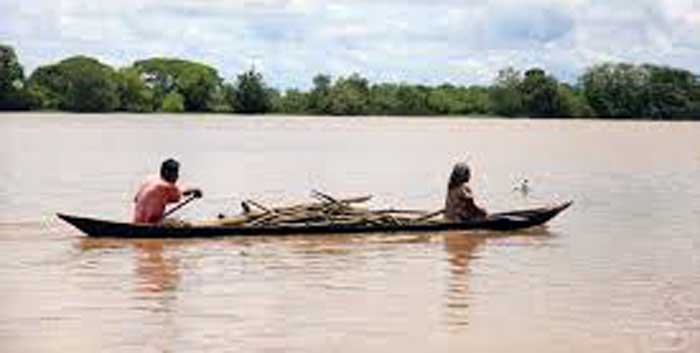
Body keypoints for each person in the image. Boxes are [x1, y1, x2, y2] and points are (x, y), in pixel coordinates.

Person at [132, 159, 202, 224]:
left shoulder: (149, 180)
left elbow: (136, 199)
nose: (177, 176)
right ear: (167, 173)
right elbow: (178, 196)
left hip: (136, 222)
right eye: (175, 173)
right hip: (148, 224)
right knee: (182, 223)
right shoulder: (166, 186)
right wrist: (194, 191)